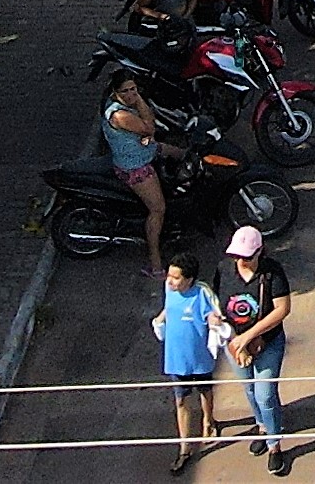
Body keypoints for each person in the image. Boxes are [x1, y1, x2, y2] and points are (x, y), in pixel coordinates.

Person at [216, 223, 293, 471]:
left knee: (265, 394)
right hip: (235, 345)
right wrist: (220, 325)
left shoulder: (272, 272)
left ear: (260, 252)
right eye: (238, 255)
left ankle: (274, 444)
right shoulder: (223, 270)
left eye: (247, 256)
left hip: (267, 343)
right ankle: (262, 426)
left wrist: (248, 336)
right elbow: (215, 303)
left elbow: (282, 309)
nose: (242, 260)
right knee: (249, 389)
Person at [159, 252, 225, 475]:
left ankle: (209, 419)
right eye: (169, 275)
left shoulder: (202, 292)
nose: (170, 280)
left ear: (189, 279)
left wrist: (214, 321)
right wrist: (160, 320)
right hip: (176, 359)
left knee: (205, 392)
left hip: (200, 358)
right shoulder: (169, 289)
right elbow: (168, 309)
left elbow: (212, 314)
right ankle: (184, 448)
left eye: (176, 277)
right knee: (180, 401)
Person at [104, 71, 170, 272]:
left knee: (178, 152)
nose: (131, 94)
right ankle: (155, 264)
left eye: (134, 89)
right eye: (126, 91)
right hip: (135, 166)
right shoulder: (120, 115)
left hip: (145, 150)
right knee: (158, 210)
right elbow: (149, 128)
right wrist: (140, 100)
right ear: (116, 92)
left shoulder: (124, 105)